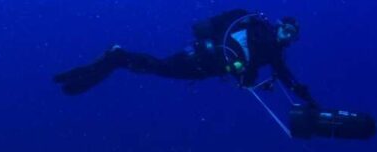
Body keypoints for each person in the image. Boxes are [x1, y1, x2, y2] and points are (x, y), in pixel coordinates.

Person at [53, 9, 318, 107]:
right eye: (286, 30)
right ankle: (118, 56)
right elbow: (237, 49)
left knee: (160, 68)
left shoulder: (274, 51)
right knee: (161, 67)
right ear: (278, 25)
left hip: (203, 68)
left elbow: (284, 74)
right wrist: (240, 69)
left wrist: (303, 94)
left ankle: (118, 57)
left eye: (292, 35)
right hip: (200, 58)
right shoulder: (259, 31)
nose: (287, 37)